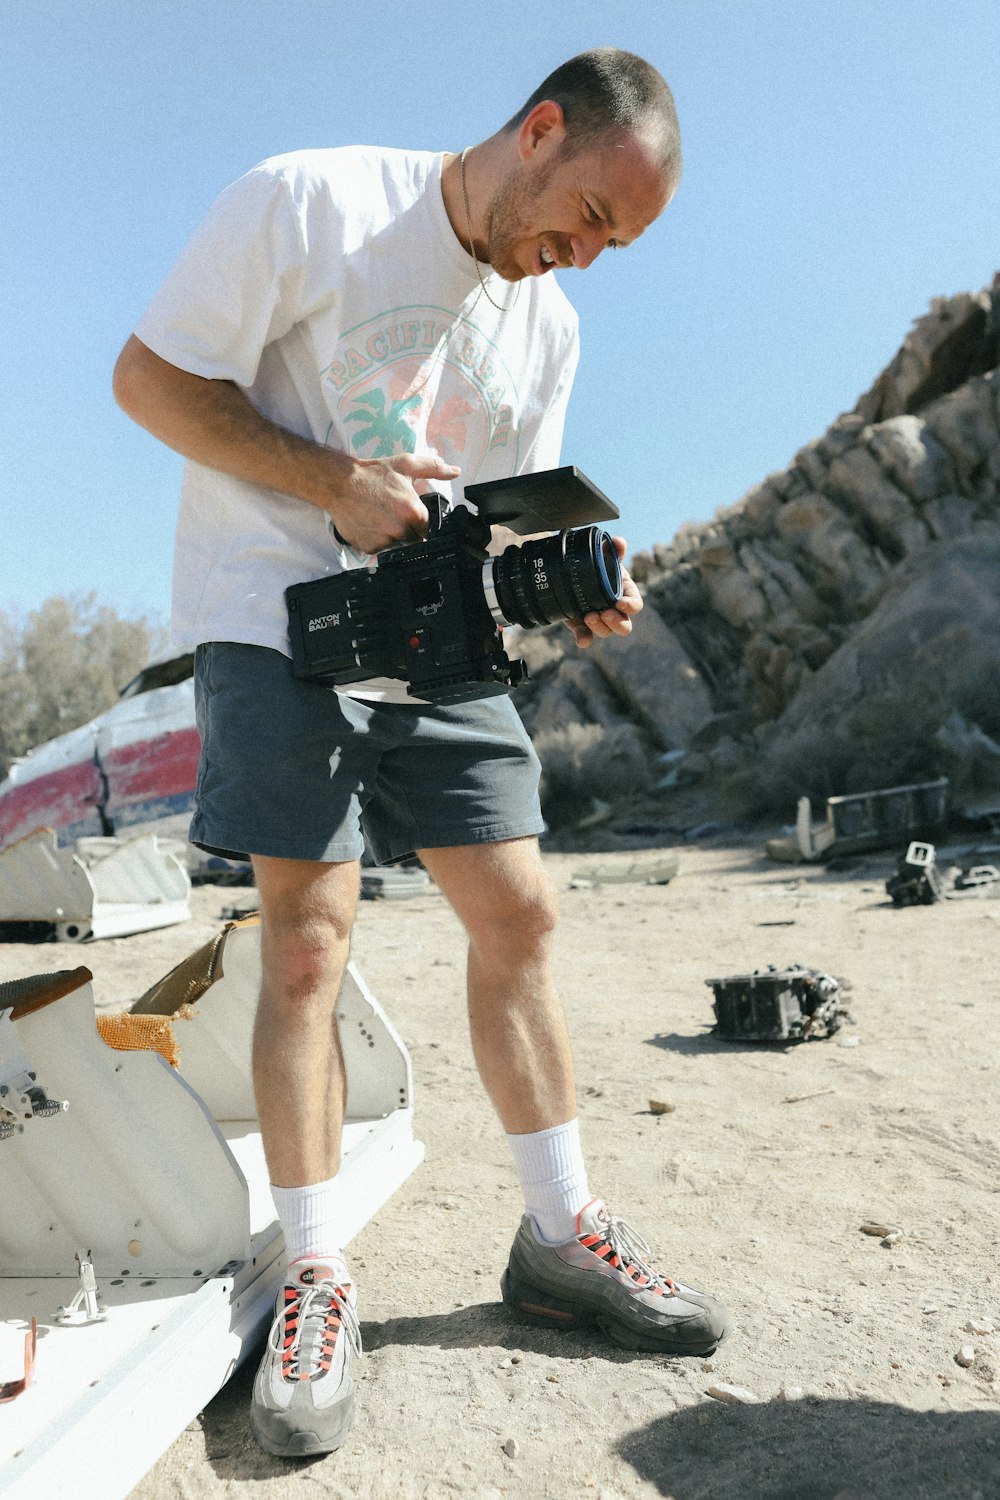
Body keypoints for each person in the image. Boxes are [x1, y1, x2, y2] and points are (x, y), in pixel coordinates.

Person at [113, 47, 730, 1459]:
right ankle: (317, 1271)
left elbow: (496, 527)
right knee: (309, 942)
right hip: (275, 617)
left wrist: (564, 592)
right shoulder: (310, 204)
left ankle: (563, 1234)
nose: (577, 257)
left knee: (519, 909)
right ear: (538, 130)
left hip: (441, 652)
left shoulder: (548, 327)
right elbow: (147, 381)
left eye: (609, 247)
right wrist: (333, 481)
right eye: (581, 217)